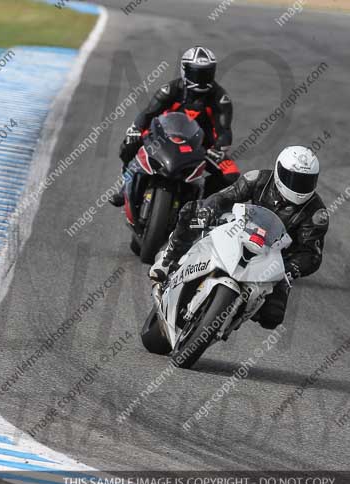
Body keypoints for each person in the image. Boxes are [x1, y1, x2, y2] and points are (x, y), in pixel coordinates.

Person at [149, 146, 329, 330]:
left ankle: (238, 311)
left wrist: (290, 269)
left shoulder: (317, 213)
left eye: (305, 181)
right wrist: (209, 209)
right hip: (241, 231)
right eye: (293, 178)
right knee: (191, 212)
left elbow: (312, 254)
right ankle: (168, 258)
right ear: (278, 170)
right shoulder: (259, 179)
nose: (298, 186)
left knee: (272, 317)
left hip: (276, 259)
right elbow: (226, 196)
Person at [109, 46, 238, 207]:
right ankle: (125, 187)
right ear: (184, 70)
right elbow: (148, 113)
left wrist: (218, 148)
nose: (201, 79)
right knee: (130, 143)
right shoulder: (170, 89)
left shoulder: (220, 98)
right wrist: (135, 129)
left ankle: (201, 204)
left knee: (231, 173)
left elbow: (224, 130)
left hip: (199, 147)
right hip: (162, 139)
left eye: (206, 73)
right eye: (197, 73)